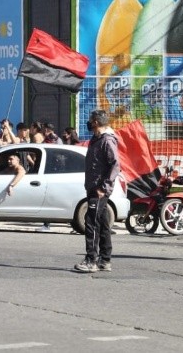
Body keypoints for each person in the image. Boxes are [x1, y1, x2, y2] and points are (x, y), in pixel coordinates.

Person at [74, 110, 120, 273]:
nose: (89, 123)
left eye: (91, 120)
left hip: (99, 189)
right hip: (93, 186)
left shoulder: (107, 140)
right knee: (102, 222)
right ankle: (105, 259)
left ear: (96, 122)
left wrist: (104, 187)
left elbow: (115, 165)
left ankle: (91, 260)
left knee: (91, 222)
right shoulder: (96, 139)